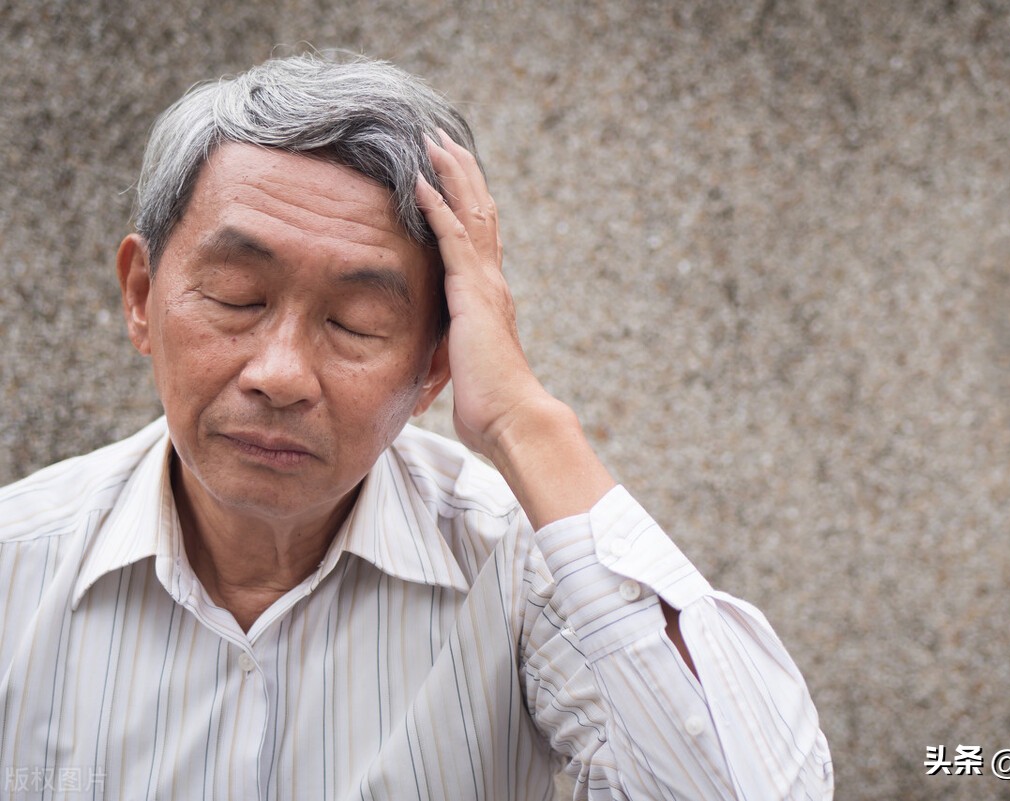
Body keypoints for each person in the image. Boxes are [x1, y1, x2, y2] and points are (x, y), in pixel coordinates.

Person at [0, 53, 832, 800]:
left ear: (433, 365)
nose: (280, 373)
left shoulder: (518, 570)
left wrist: (522, 419)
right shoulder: (16, 566)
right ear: (142, 295)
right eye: (237, 298)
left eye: (357, 322)